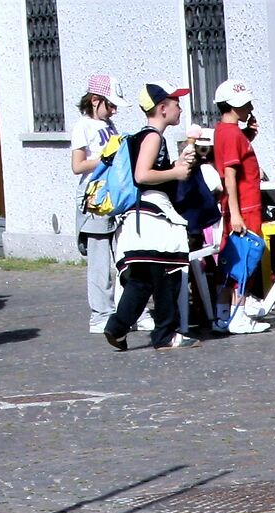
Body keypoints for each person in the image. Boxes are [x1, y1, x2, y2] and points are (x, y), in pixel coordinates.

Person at [104, 82, 199, 351]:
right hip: (150, 216)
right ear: (162, 108)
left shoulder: (146, 137)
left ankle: (117, 328)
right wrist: (176, 173)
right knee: (166, 272)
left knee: (142, 279)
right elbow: (142, 175)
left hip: (138, 217)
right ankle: (166, 335)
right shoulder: (153, 136)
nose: (180, 107)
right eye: (175, 102)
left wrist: (175, 165)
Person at [206, 80, 270, 335]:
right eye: (244, 104)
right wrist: (236, 213)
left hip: (239, 205)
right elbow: (230, 174)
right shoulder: (231, 133)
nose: (250, 108)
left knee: (230, 262)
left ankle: (224, 315)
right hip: (245, 206)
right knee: (245, 261)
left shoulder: (224, 131)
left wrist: (249, 135)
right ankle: (239, 314)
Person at [70, 73, 124, 335]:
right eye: (110, 105)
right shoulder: (83, 126)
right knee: (100, 260)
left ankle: (127, 309)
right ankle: (100, 313)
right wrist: (105, 159)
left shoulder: (109, 125)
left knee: (123, 253)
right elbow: (78, 165)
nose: (113, 111)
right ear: (94, 100)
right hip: (94, 196)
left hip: (113, 196)